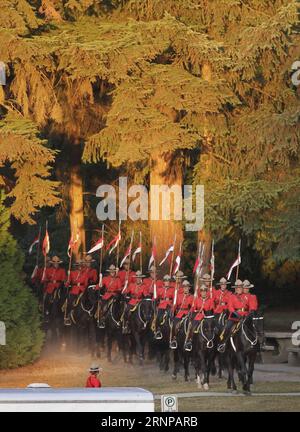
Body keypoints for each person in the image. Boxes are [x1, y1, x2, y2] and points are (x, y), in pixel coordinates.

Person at [217, 279, 251, 353]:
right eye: (237, 287)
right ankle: (222, 343)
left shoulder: (246, 296)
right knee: (227, 328)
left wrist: (248, 313)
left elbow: (249, 307)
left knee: (253, 326)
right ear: (235, 288)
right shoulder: (232, 296)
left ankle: (255, 343)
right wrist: (235, 313)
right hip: (234, 316)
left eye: (240, 287)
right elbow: (230, 307)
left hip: (245, 315)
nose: (239, 289)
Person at [184, 284, 215, 351]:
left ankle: (211, 340)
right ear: (200, 292)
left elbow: (212, 308)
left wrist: (207, 312)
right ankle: (190, 340)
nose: (203, 293)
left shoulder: (210, 300)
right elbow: (193, 308)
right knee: (193, 326)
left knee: (213, 327)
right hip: (198, 316)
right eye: (202, 292)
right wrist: (196, 311)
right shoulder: (197, 299)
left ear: (207, 292)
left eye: (205, 291)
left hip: (207, 316)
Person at [169, 280, 193, 349]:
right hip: (179, 314)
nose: (186, 288)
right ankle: (173, 339)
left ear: (189, 288)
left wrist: (190, 312)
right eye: (184, 287)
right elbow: (175, 305)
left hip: (187, 314)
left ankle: (189, 341)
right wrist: (172, 311)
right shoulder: (178, 296)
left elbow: (192, 306)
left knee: (191, 326)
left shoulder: (191, 297)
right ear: (182, 288)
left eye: (187, 287)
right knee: (174, 324)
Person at [64, 260, 88, 326]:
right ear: (76, 266)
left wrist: (84, 289)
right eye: (78, 266)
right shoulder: (72, 273)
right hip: (74, 290)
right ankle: (67, 317)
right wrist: (68, 277)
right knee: (70, 302)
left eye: (81, 266)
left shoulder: (85, 273)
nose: (79, 267)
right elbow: (67, 284)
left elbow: (86, 284)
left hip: (82, 290)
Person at [154, 275, 174, 340]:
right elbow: (156, 298)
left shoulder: (172, 289)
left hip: (169, 305)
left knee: (170, 316)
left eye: (168, 281)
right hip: (161, 305)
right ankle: (158, 330)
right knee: (158, 317)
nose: (167, 282)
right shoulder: (160, 289)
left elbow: (175, 299)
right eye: (166, 281)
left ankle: (172, 331)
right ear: (164, 282)